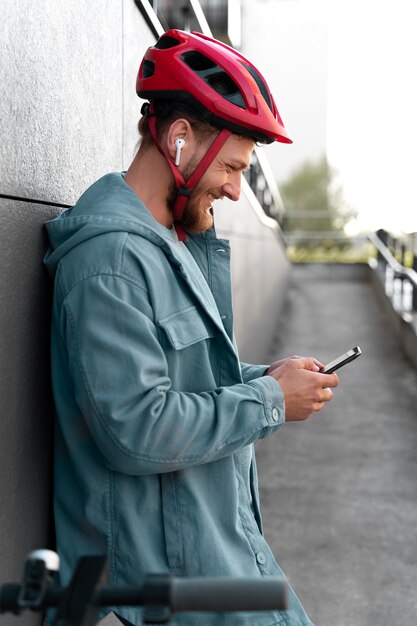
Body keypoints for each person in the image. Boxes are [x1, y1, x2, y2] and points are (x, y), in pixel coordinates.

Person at [44, 29, 339, 626]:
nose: (235, 188)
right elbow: (134, 428)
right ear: (179, 141)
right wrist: (269, 401)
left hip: (217, 566)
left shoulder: (166, 247)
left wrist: (271, 378)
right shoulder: (111, 264)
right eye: (231, 167)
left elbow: (189, 379)